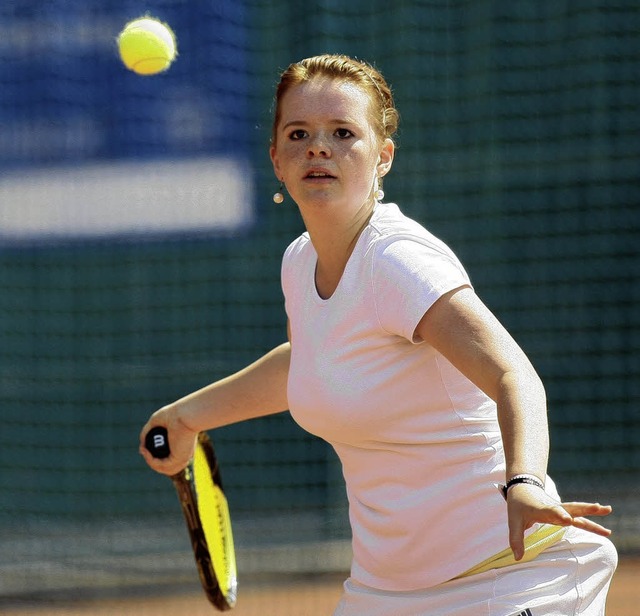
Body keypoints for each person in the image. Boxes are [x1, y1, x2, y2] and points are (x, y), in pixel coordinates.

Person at [140, 54, 617, 614]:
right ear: (276, 158)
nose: (319, 147)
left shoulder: (397, 260)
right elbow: (313, 362)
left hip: (510, 576)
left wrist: (526, 483)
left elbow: (515, 375)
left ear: (383, 156)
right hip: (385, 593)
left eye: (343, 133)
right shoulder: (299, 261)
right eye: (300, 134)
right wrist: (189, 415)